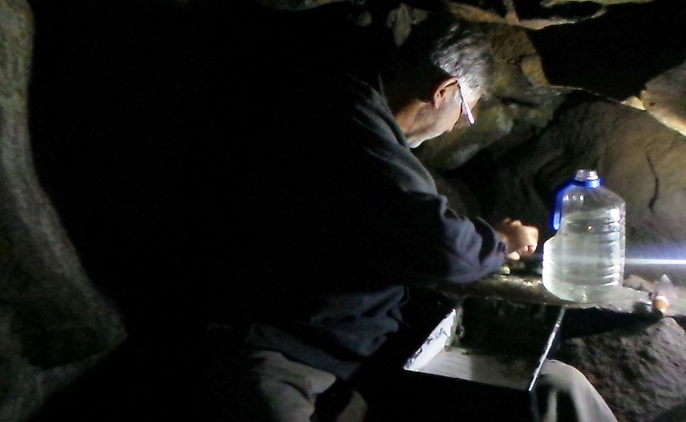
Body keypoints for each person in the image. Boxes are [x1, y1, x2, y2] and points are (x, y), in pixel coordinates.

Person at [199, 7, 617, 422]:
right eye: (466, 113)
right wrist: (501, 241)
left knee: (556, 387)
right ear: (444, 90)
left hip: (366, 348)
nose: (454, 128)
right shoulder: (345, 118)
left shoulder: (366, 126)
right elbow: (445, 247)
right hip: (286, 349)